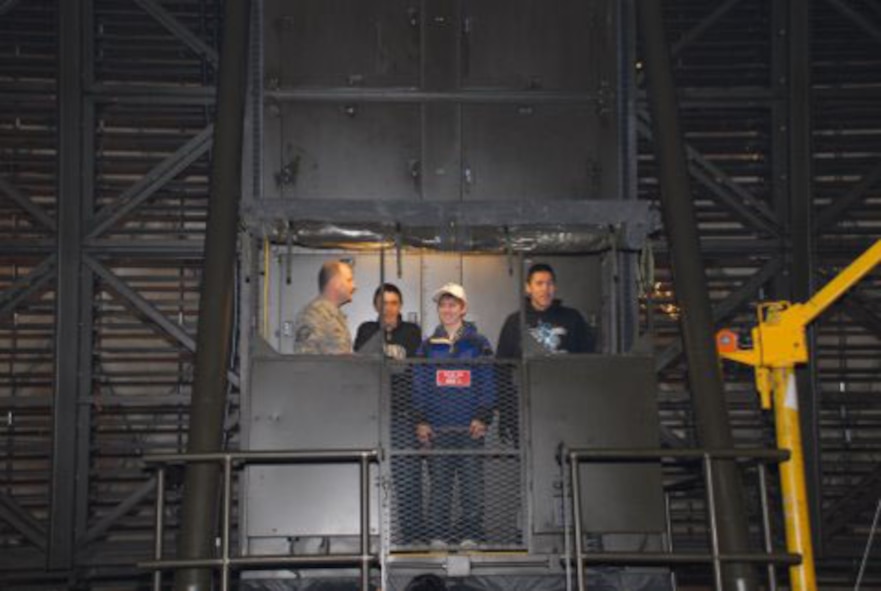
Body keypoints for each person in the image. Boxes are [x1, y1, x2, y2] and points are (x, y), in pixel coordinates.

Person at [413, 283, 494, 548]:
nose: (447, 310)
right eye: (442, 305)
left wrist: (483, 416)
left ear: (463, 308)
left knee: (472, 484)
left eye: (452, 305)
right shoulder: (427, 346)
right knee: (440, 484)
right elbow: (419, 385)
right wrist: (421, 421)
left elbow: (488, 381)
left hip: (470, 428)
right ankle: (438, 536)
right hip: (438, 429)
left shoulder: (479, 343)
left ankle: (471, 535)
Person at [496, 262, 595, 358]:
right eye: (539, 283)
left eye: (550, 283)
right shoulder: (514, 321)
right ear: (528, 288)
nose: (545, 289)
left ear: (555, 287)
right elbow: (502, 364)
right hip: (527, 375)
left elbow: (588, 359)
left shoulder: (573, 318)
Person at [291, 260, 356, 354]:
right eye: (349, 280)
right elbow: (306, 360)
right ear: (336, 283)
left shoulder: (335, 316)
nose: (354, 286)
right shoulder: (312, 315)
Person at [353, 283, 422, 359]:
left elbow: (416, 362)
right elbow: (360, 360)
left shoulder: (412, 330)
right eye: (384, 303)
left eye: (394, 303)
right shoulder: (366, 329)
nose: (389, 308)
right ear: (375, 306)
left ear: (400, 306)